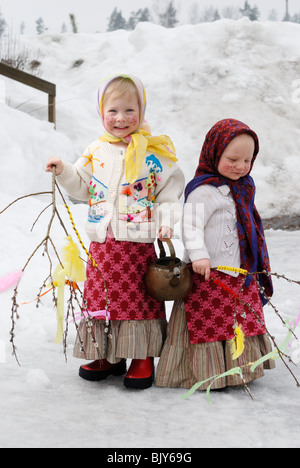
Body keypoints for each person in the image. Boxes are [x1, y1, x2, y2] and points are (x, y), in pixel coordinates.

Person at [46, 74, 185, 389]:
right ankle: (107, 354)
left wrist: (166, 222)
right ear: (101, 112)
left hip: (136, 245)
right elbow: (82, 184)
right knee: (102, 298)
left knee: (136, 300)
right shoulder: (97, 149)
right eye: (113, 111)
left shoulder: (155, 155)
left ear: (141, 109)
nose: (120, 118)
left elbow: (168, 195)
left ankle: (141, 356)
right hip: (102, 245)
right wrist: (63, 170)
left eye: (129, 110)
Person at [155, 118, 275, 391]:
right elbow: (190, 225)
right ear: (214, 152)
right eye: (232, 159)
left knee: (237, 321)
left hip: (240, 273)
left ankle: (238, 370)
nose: (240, 166)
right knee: (207, 323)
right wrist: (198, 255)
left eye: (247, 160)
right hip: (208, 273)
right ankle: (204, 371)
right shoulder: (203, 191)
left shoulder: (243, 188)